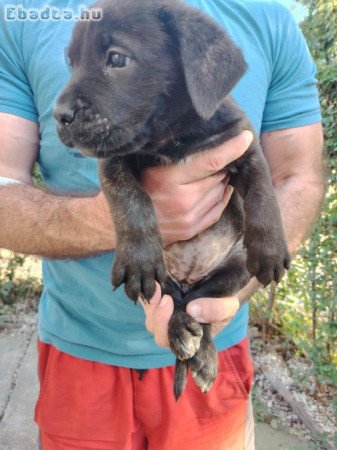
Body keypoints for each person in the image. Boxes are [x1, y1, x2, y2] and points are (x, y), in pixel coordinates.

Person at [0, 0, 324, 449]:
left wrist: (244, 275)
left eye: (115, 59)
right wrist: (123, 225)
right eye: (74, 64)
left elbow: (293, 172)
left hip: (223, 333)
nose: (66, 102)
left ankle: (193, 338)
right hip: (78, 351)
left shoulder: (263, 17)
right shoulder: (22, 15)